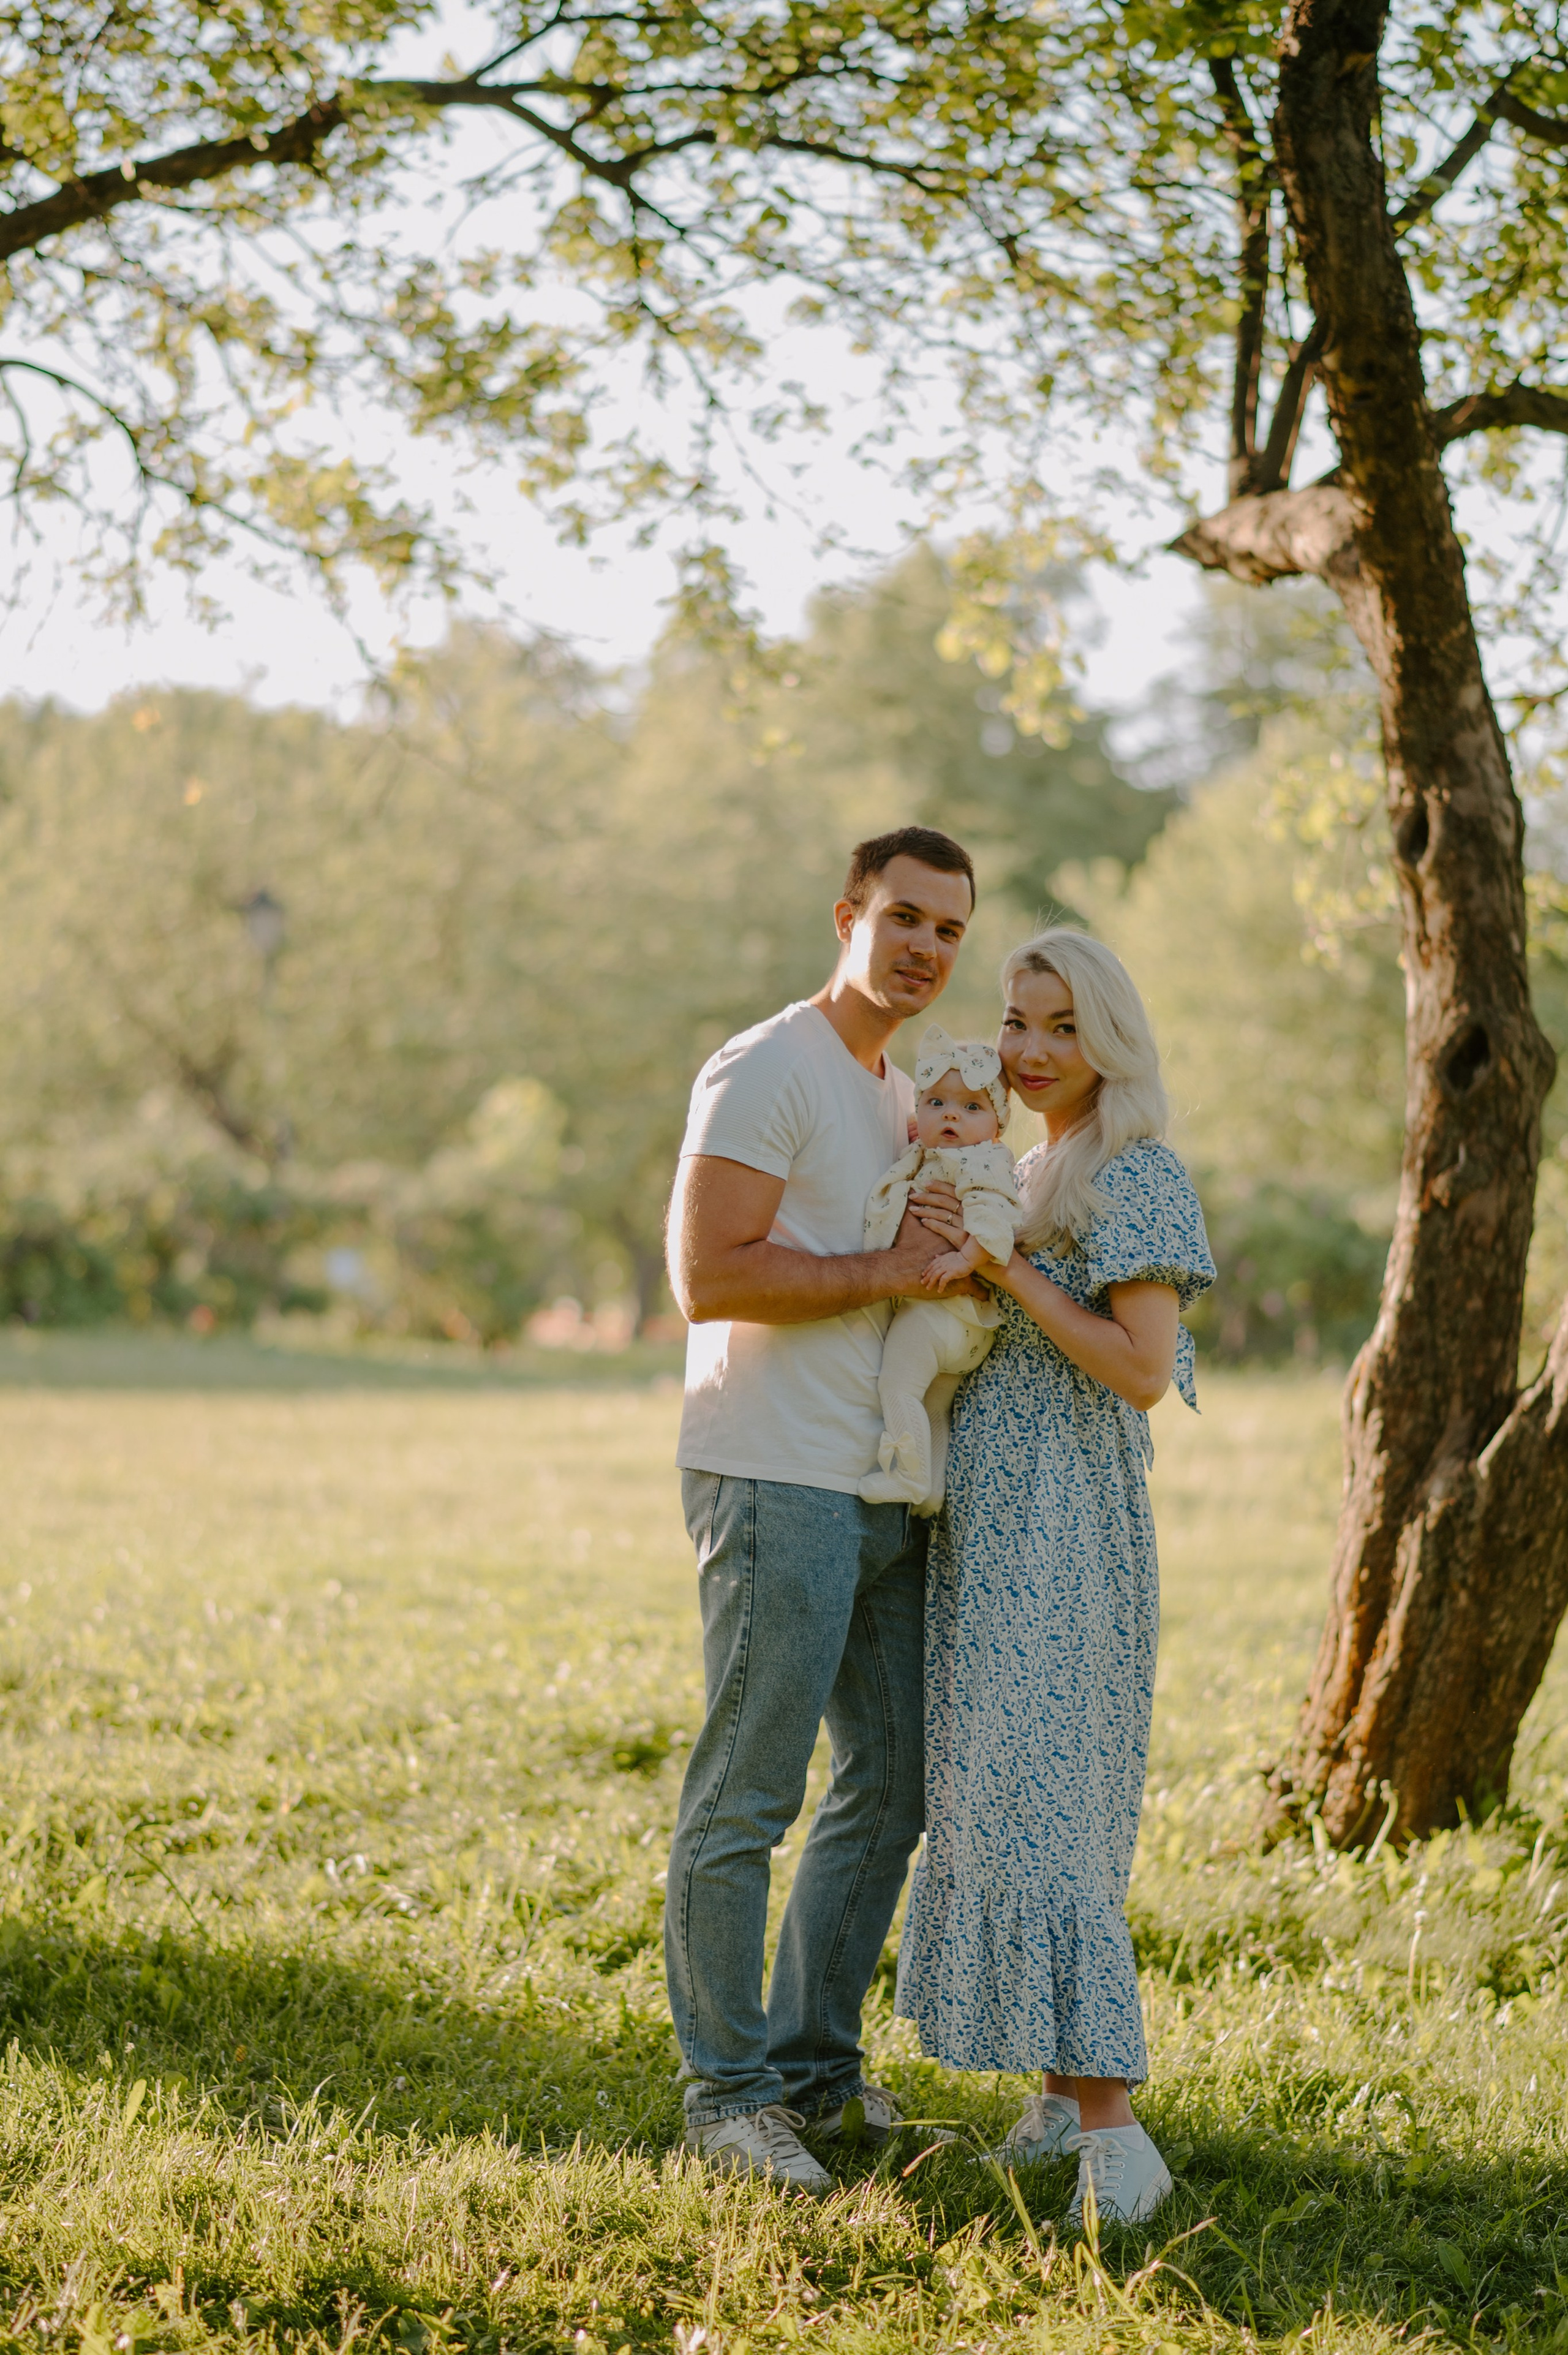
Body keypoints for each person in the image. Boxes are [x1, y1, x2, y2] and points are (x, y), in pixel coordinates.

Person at [663, 825, 978, 2193]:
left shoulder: (897, 1089)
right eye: (903, 917)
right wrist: (885, 1270)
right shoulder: (769, 1063)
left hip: (874, 1483)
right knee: (745, 1791)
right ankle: (727, 2098)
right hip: (773, 1470)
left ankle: (809, 2074)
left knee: (894, 1779)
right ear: (847, 912)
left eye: (948, 931)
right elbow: (707, 1273)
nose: (923, 947)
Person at [895, 928, 1216, 2228]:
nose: (1028, 1049)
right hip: (991, 1521)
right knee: (997, 1793)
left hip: (1065, 1528)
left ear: (1110, 1042)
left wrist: (1002, 1267)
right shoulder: (1025, 1163)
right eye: (1017, 1020)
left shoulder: (1136, 1170)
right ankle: (1048, 2098)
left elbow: (1140, 1365)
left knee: (1045, 1801)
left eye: (1060, 1027)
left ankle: (1114, 2130)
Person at [858, 1024, 1019, 1516]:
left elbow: (996, 1218)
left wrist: (964, 1258)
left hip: (940, 1309)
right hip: (968, 1331)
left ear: (998, 1125)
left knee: (898, 1385)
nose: (951, 1114)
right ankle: (931, 1490)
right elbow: (929, 1145)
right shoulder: (950, 1154)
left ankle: (907, 1474)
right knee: (933, 1406)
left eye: (971, 1107)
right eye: (936, 1104)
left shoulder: (982, 1163)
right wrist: (925, 1134)